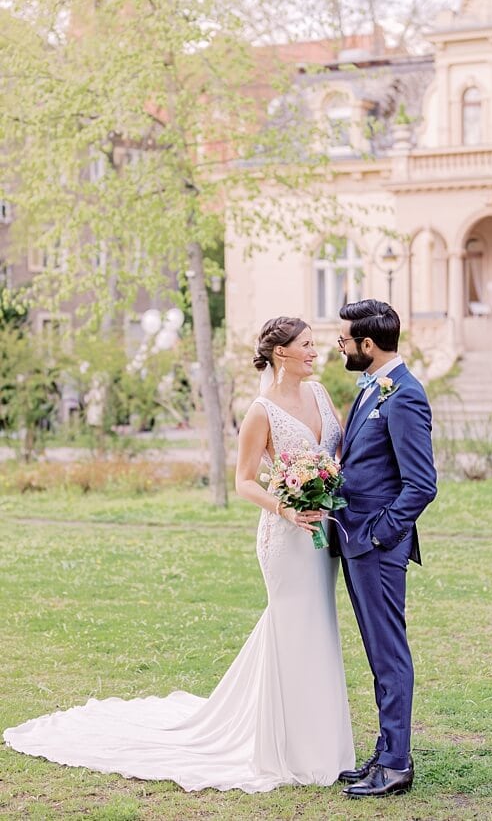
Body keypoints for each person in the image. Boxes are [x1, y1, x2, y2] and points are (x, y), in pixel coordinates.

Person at [3, 316, 355, 792]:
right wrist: (287, 507)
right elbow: (244, 480)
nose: (316, 352)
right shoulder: (260, 411)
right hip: (286, 537)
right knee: (294, 628)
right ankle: (289, 750)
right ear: (281, 353)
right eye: (307, 345)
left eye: (315, 345)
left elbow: (336, 452)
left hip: (322, 536)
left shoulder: (319, 395)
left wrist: (326, 482)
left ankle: (323, 742)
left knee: (319, 628)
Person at [331, 299, 437, 799]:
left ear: (367, 345)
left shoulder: (405, 396)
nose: (340, 346)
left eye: (344, 340)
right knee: (378, 652)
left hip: (376, 545)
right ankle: (386, 749)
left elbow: (421, 484)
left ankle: (397, 764)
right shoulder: (374, 387)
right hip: (355, 540)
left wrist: (377, 534)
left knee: (389, 652)